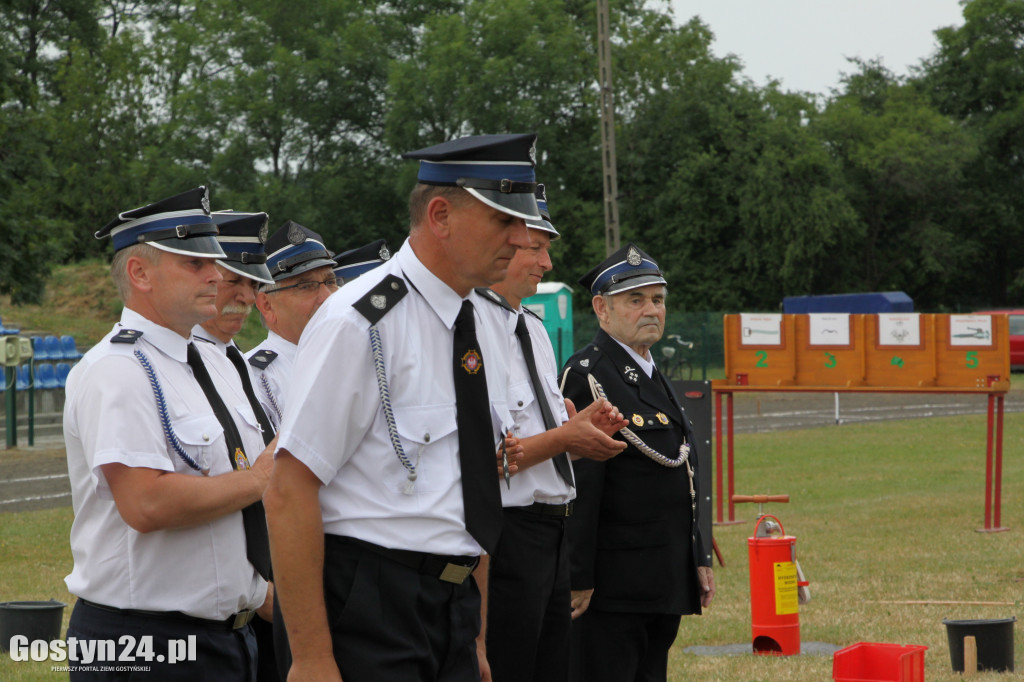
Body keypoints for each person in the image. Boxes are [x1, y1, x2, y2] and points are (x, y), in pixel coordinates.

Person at [263, 133, 539, 682]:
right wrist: (313, 658)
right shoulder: (358, 321)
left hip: (454, 606)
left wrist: (476, 637)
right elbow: (288, 489)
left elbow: (471, 488)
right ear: (440, 215)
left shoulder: (484, 319)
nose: (522, 237)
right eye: (504, 221)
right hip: (371, 601)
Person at [63, 187, 274, 681]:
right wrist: (261, 480)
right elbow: (146, 504)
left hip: (228, 637)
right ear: (140, 274)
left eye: (215, 262)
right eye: (194, 263)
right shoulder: (118, 369)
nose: (217, 275)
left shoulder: (211, 363)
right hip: (143, 643)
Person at [476, 185, 627, 682]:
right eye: (536, 247)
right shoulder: (467, 329)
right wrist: (567, 438)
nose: (547, 262)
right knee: (509, 666)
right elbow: (492, 457)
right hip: (508, 534)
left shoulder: (533, 327)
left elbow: (536, 440)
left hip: (553, 530)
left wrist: (581, 433)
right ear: (502, 243)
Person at [559, 243, 715, 682]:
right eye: (636, 299)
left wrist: (697, 556)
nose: (652, 310)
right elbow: (580, 484)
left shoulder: (652, 373)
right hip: (611, 586)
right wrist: (578, 576)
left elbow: (684, 470)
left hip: (662, 577)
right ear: (601, 309)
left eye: (658, 299)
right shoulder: (589, 374)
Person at [191, 209, 281, 682]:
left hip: (247, 613)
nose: (247, 296)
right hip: (195, 623)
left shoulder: (231, 359)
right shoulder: (174, 362)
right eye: (233, 280)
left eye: (253, 283)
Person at [245, 221, 338, 429]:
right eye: (306, 286)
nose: (327, 297)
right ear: (267, 305)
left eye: (330, 282)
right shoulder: (255, 377)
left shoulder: (357, 356)